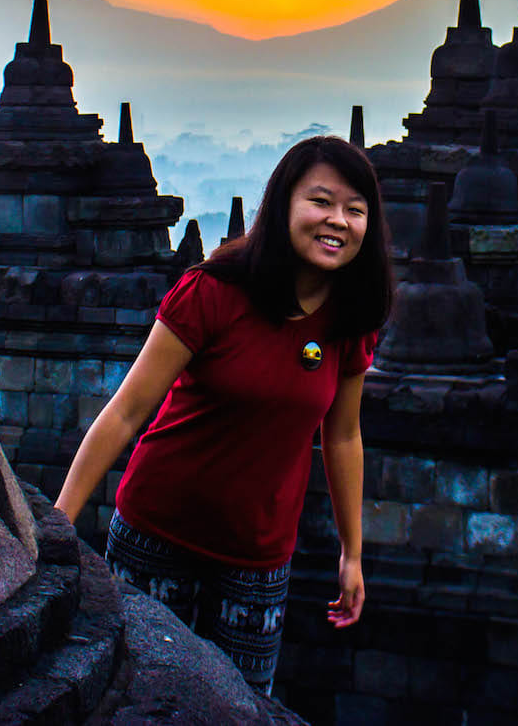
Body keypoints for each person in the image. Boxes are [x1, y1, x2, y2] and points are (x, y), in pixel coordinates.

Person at [54, 134, 393, 695]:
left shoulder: (351, 319)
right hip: (156, 534)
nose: (337, 221)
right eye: (321, 201)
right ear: (283, 204)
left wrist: (352, 553)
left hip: (257, 558)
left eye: (355, 210)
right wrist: (60, 523)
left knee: (239, 705)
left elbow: (343, 436)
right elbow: (127, 411)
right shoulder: (212, 292)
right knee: (135, 697)